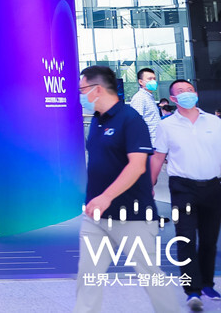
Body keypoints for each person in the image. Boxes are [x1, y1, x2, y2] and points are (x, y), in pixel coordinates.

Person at [74, 65, 181, 313]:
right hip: (96, 216)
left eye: (82, 90)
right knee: (88, 276)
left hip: (132, 215)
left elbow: (137, 166)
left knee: (149, 274)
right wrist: (97, 201)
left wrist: (106, 197)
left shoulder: (130, 119)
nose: (80, 95)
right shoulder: (97, 120)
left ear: (96, 89)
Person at [149, 80, 221, 310]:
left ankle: (207, 284)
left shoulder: (214, 122)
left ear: (196, 94)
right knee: (186, 238)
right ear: (173, 98)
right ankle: (192, 290)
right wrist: (149, 184)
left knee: (209, 239)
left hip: (213, 186)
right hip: (183, 188)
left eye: (190, 90)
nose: (187, 94)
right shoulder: (167, 125)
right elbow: (158, 156)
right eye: (181, 91)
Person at [132, 68, 162, 144]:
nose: (153, 81)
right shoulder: (140, 98)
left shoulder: (149, 97)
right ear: (140, 82)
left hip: (156, 141)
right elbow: (136, 123)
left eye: (154, 79)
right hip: (149, 142)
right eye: (149, 79)